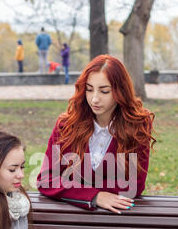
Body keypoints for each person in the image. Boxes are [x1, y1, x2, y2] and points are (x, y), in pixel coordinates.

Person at [37, 54, 156, 213]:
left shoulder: (137, 125)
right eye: (89, 89)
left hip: (116, 223)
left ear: (120, 91)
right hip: (71, 220)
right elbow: (46, 179)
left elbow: (134, 184)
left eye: (104, 91)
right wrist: (94, 195)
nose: (94, 99)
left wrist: (71, 183)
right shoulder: (66, 125)